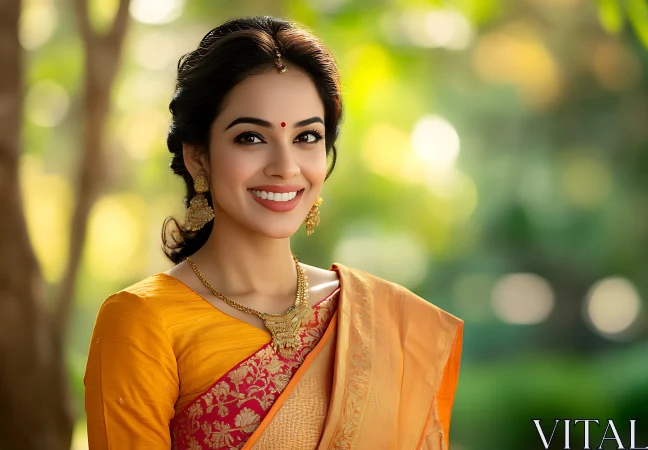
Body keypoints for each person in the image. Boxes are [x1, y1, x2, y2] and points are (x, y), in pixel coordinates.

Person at [83, 16, 464, 449]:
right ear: (198, 157)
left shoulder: (379, 319)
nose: (285, 166)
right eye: (250, 137)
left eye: (307, 136)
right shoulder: (142, 321)